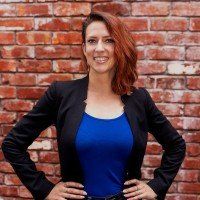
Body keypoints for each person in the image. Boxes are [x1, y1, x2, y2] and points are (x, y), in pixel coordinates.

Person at [1, 11, 186, 200]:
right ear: (84, 48)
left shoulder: (139, 99)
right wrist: (44, 189)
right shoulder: (61, 94)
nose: (99, 48)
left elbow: (176, 145)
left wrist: (156, 186)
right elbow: (12, 144)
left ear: (119, 46)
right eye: (92, 41)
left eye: (108, 40)